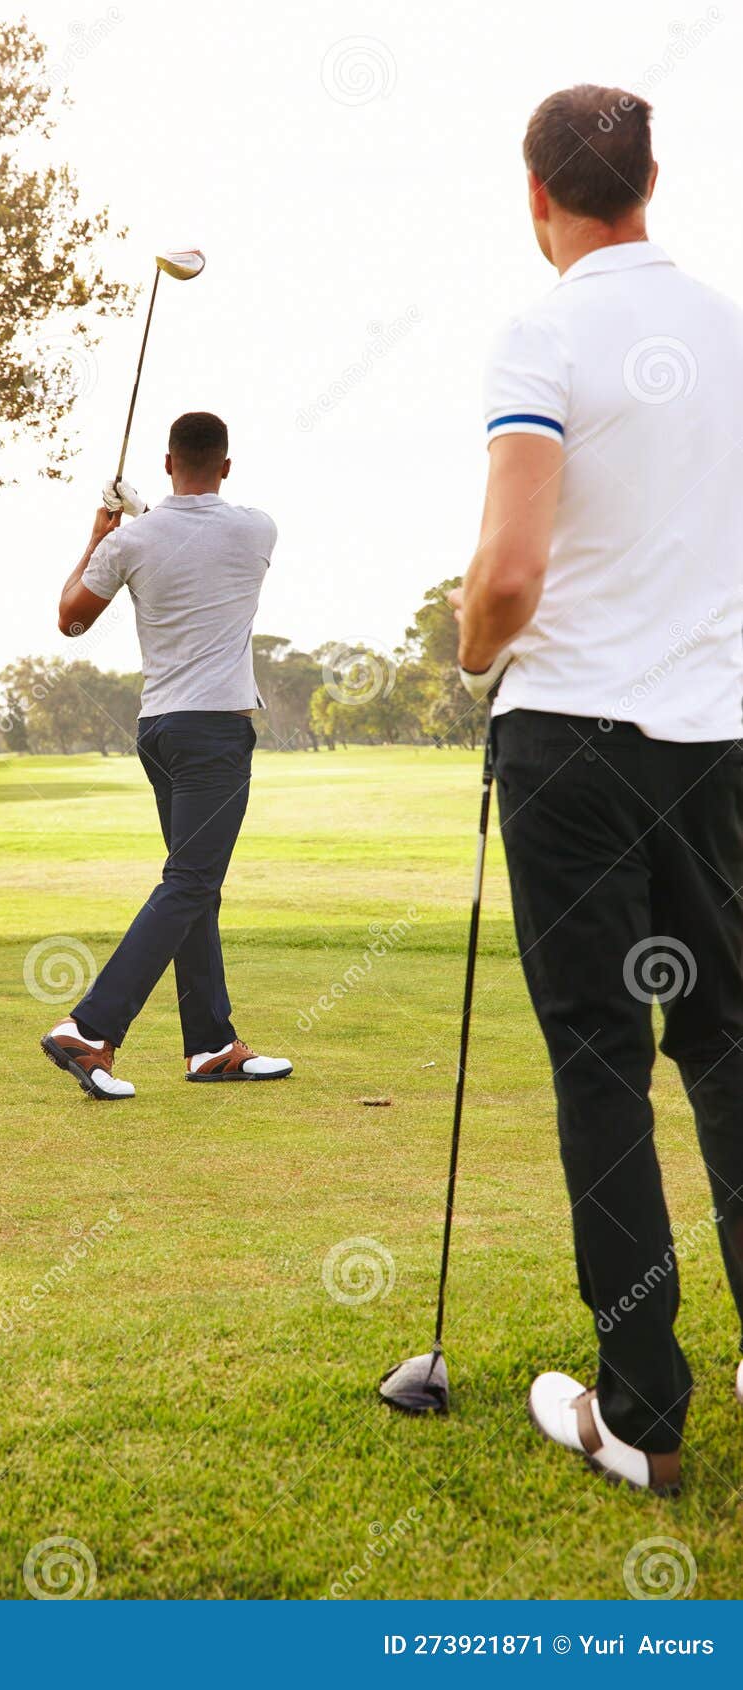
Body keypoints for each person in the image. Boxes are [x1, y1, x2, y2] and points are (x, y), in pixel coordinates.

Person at [451, 84, 743, 1493]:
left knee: (600, 1067)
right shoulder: (729, 326)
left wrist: (467, 658)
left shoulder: (543, 327)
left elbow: (507, 576)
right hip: (716, 745)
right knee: (727, 1044)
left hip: (571, 743)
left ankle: (637, 1411)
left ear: (536, 195)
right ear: (647, 180)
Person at [40, 410, 293, 1100]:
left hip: (160, 731)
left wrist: (103, 531)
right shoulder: (257, 527)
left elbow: (72, 617)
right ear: (227, 465)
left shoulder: (135, 540)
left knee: (193, 887)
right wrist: (142, 515)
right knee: (189, 884)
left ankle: (211, 1045)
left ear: (166, 460)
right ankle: (90, 1029)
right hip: (215, 735)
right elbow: (199, 537)